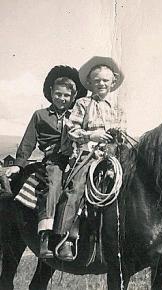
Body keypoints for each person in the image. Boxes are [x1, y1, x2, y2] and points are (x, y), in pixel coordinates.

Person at [6, 66, 87, 259]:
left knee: (81, 188)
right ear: (50, 93)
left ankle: (69, 237)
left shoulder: (77, 116)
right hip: (55, 161)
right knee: (53, 185)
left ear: (74, 97)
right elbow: (28, 142)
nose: (62, 98)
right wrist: (18, 164)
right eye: (58, 94)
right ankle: (45, 236)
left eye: (67, 95)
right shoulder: (40, 115)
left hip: (77, 159)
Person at [54, 56, 125, 261]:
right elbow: (72, 130)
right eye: (97, 81)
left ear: (113, 82)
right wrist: (91, 135)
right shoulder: (83, 104)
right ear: (90, 83)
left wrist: (116, 141)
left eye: (105, 80)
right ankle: (66, 237)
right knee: (76, 188)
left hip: (114, 156)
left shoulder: (118, 108)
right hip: (87, 154)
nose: (101, 84)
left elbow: (123, 132)